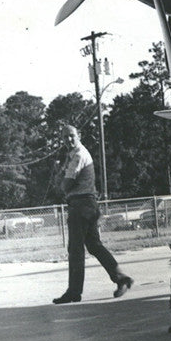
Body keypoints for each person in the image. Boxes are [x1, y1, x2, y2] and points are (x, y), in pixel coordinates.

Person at [52, 125, 133, 304]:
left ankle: (74, 292)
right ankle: (121, 278)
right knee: (94, 246)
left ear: (78, 135)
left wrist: (61, 179)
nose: (68, 140)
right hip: (88, 204)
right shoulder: (73, 155)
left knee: (75, 249)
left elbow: (65, 185)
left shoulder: (79, 155)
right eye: (65, 137)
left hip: (81, 205)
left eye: (71, 136)